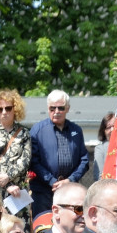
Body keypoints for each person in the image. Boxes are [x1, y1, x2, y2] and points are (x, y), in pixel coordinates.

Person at [28, 90, 89, 218]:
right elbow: (33, 161)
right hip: (44, 191)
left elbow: (84, 160)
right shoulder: (37, 130)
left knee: (71, 226)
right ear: (48, 108)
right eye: (52, 108)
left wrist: (69, 180)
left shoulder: (76, 130)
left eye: (60, 108)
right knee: (43, 227)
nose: (56, 111)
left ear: (67, 108)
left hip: (70, 191)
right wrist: (52, 181)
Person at [0, 89, 31, 201]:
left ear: (15, 109)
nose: (4, 112)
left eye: (8, 108)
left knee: (18, 219)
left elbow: (25, 161)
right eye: (0, 109)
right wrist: (7, 185)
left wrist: (8, 177)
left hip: (18, 189)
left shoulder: (24, 133)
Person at [90, 112, 116, 187]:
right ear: (103, 131)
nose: (112, 129)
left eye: (114, 126)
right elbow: (99, 176)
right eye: (108, 127)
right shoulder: (100, 149)